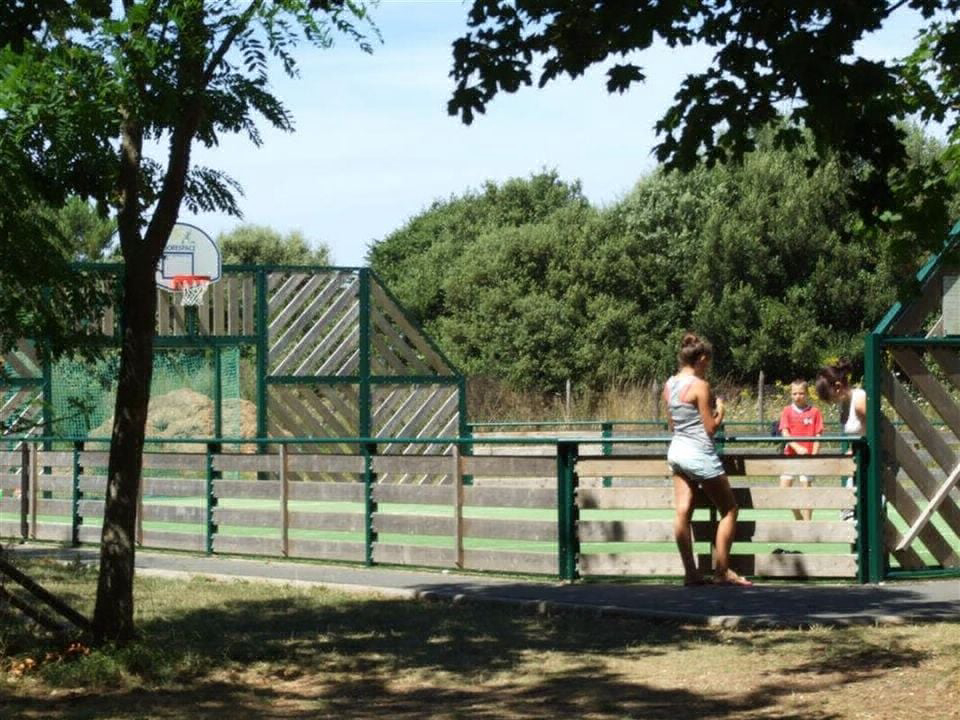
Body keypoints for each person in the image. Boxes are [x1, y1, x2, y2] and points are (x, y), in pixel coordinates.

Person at [663, 332, 752, 586]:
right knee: (729, 509)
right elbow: (710, 428)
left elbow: (672, 424)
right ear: (701, 358)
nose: (708, 366)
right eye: (707, 361)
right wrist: (720, 411)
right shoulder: (700, 386)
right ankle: (722, 571)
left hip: (677, 451)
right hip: (699, 453)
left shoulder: (669, 385)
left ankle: (691, 574)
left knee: (682, 512)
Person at [815, 361, 866, 521]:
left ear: (838, 386)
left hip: (873, 465)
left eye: (830, 397)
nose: (831, 402)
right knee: (847, 512)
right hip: (859, 464)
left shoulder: (859, 401)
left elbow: (876, 433)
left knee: (858, 512)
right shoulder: (845, 403)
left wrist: (858, 449)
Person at [778, 380, 824, 521]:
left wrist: (814, 455)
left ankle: (808, 523)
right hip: (790, 456)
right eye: (794, 393)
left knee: (806, 491)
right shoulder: (786, 411)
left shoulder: (815, 412)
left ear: (807, 394)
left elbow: (818, 435)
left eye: (801, 393)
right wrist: (797, 448)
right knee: (783, 490)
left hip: (808, 457)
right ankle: (799, 518)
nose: (798, 396)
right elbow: (785, 434)